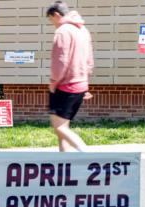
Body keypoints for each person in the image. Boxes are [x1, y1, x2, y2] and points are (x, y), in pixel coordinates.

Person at [46, 1, 94, 152]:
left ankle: (88, 155)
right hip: (80, 85)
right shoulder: (83, 30)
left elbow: (60, 62)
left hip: (65, 86)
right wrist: (85, 83)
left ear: (56, 15)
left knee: (59, 127)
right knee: (63, 126)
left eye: (51, 19)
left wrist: (53, 82)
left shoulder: (63, 31)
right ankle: (64, 164)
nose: (52, 23)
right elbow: (89, 60)